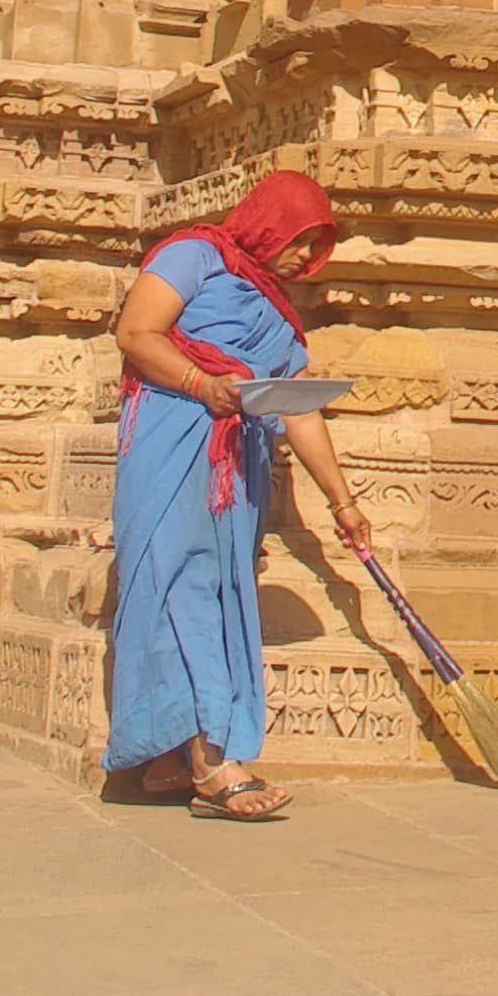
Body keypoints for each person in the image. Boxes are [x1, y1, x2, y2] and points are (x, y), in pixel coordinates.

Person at [105, 168, 377, 818]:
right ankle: (211, 760)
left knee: (221, 587)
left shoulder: (276, 307)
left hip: (235, 465)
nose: (308, 256)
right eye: (301, 238)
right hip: (172, 439)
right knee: (177, 584)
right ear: (268, 220)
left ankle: (169, 757)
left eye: (320, 244)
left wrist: (344, 501)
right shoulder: (192, 255)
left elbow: (297, 409)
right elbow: (136, 332)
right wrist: (204, 386)